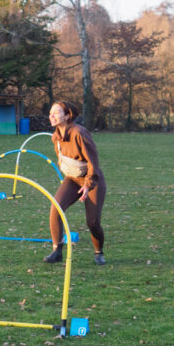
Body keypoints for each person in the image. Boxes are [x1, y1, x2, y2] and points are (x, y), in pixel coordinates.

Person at [44, 101, 107, 265]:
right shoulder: (55, 137)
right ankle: (57, 251)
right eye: (50, 113)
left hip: (91, 179)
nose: (51, 116)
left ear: (67, 116)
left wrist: (87, 185)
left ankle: (99, 252)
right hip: (72, 179)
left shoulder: (79, 133)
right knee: (56, 208)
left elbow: (93, 162)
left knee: (93, 222)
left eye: (56, 112)